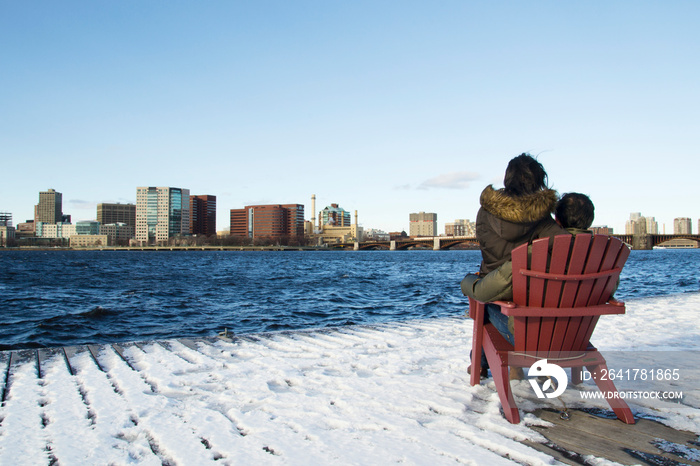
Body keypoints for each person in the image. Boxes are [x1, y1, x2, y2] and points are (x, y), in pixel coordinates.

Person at [463, 191, 595, 377]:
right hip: (575, 336)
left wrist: (470, 282)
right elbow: (607, 291)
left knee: (486, 303)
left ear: (556, 219)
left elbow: (495, 287)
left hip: (534, 339)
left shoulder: (540, 251)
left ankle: (481, 364)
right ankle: (519, 367)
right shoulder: (602, 254)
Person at [464, 153, 568, 377]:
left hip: (496, 289)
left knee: (484, 300)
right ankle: (486, 361)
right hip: (534, 296)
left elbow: (488, 252)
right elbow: (565, 247)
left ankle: (481, 362)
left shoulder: (485, 211)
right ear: (538, 181)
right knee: (495, 299)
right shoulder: (541, 217)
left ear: (507, 178)